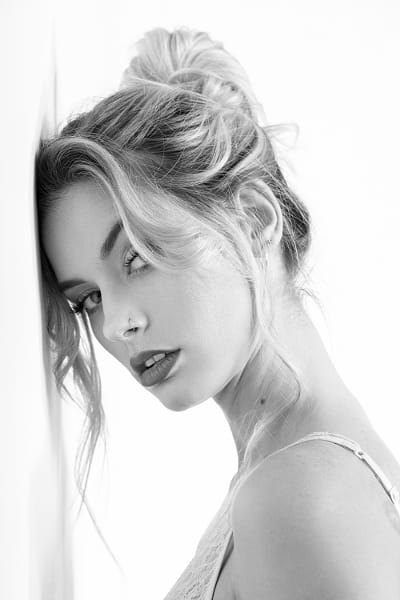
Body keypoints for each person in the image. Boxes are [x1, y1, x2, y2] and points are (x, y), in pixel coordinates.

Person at [35, 26, 400, 599]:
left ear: (254, 220)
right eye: (90, 298)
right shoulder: (284, 479)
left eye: (137, 257)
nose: (115, 324)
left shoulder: (298, 498)